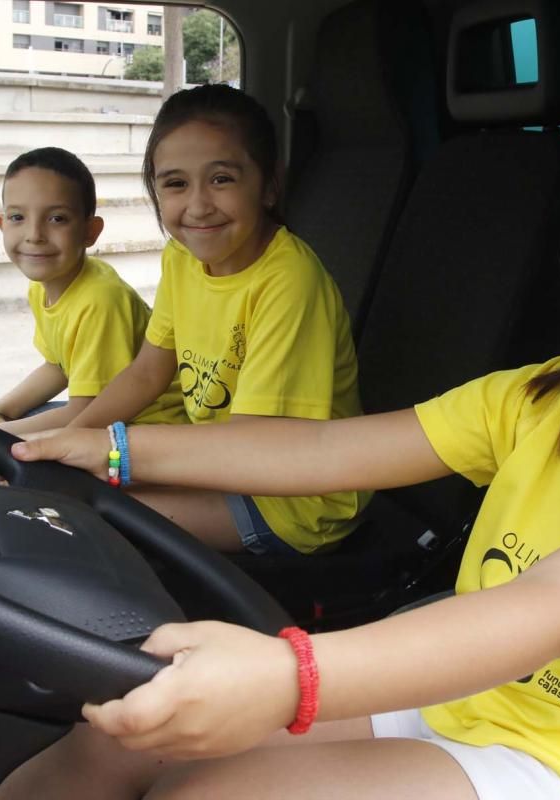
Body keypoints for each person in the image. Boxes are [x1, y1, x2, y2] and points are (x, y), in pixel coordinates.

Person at [0, 110, 560, 800]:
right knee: (125, 737)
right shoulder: (539, 397)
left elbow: (551, 609)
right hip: (467, 697)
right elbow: (324, 451)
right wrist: (109, 448)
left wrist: (289, 677)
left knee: (208, 795)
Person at [61, 84, 366, 556]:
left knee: (88, 520)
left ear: (268, 186)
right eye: (176, 184)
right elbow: (147, 372)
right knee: (58, 485)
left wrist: (116, 455)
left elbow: (252, 448)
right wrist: (71, 439)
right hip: (219, 459)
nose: (198, 206)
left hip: (293, 498)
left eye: (221, 179)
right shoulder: (181, 258)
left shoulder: (288, 281)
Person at [0, 147, 183, 484]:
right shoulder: (44, 284)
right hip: (101, 418)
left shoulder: (99, 300)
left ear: (91, 231)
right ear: (1, 224)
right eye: (18, 217)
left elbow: (85, 412)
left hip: (143, 427)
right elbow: (58, 366)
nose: (34, 234)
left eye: (56, 218)